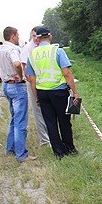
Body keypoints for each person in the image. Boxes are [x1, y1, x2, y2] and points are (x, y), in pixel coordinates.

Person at [26, 26, 79, 159]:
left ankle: (58, 152)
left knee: (50, 123)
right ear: (50, 36)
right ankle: (69, 148)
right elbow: (66, 73)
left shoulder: (32, 55)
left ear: (37, 38)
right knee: (64, 121)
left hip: (42, 92)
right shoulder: (58, 51)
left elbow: (31, 79)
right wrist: (75, 92)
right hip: (59, 92)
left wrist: (36, 96)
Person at [0, 26, 36, 162]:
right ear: (12, 36)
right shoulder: (13, 49)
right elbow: (17, 63)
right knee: (20, 121)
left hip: (6, 85)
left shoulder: (1, 49)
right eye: (17, 35)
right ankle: (21, 154)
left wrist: (4, 74)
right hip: (16, 86)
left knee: (14, 119)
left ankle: (10, 148)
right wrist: (20, 75)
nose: (18, 37)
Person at [20, 26, 50, 146]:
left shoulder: (46, 48)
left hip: (46, 83)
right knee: (38, 112)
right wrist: (33, 84)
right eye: (33, 36)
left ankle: (51, 134)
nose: (36, 38)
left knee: (48, 110)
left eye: (37, 35)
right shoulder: (28, 48)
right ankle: (44, 140)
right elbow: (24, 66)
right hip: (34, 83)